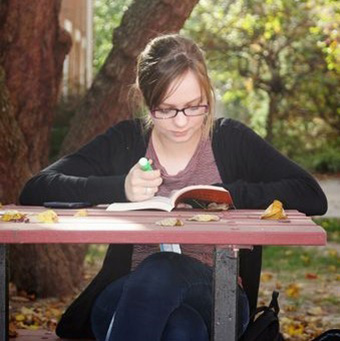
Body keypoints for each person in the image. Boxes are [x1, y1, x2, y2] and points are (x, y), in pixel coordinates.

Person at [19, 34, 327, 340]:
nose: (181, 122)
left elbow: (311, 194)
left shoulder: (231, 140)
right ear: (144, 98)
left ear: (208, 92)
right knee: (181, 328)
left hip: (217, 297)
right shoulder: (126, 141)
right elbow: (36, 189)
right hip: (127, 296)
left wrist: (229, 194)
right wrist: (120, 188)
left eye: (194, 106)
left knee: (165, 271)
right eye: (166, 109)